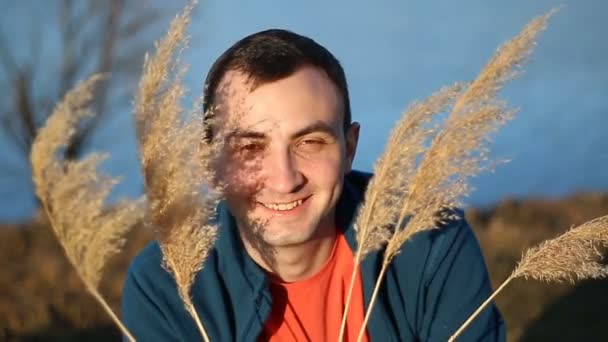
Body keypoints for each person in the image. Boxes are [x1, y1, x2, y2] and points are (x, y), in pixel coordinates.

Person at [122, 29, 505, 341]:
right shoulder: (166, 285)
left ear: (349, 148)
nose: (285, 179)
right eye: (250, 147)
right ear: (210, 162)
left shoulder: (428, 241)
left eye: (309, 143)